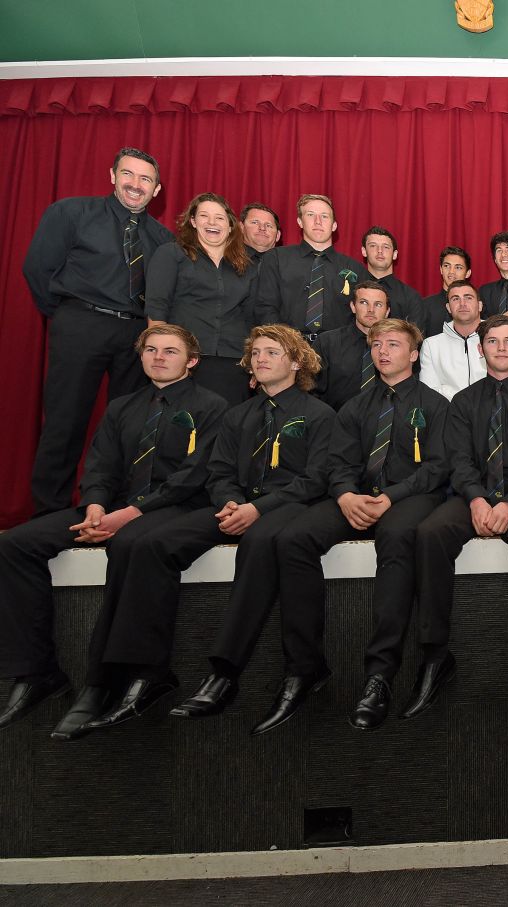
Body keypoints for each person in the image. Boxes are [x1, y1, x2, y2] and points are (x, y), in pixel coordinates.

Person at [0, 325, 227, 736]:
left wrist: (127, 515)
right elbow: (100, 465)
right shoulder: (122, 406)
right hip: (113, 506)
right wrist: (96, 507)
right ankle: (36, 671)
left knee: (130, 543)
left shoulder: (212, 407)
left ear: (192, 361)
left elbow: (194, 477)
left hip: (174, 507)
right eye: (150, 350)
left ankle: (106, 680)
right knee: (15, 544)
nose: (158, 357)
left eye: (170, 351)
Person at [137, 326, 334, 724]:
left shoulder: (320, 414)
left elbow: (315, 480)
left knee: (259, 541)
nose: (260, 359)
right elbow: (220, 471)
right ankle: (146, 671)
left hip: (290, 505)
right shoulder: (237, 415)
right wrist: (232, 502)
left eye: (272, 352)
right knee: (156, 542)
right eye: (256, 353)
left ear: (297, 363)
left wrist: (257, 510)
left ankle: (225, 671)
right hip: (237, 505)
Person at [269, 319, 450, 733]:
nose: (382, 351)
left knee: (396, 535)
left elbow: (438, 468)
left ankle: (379, 675)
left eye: (393, 344)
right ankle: (304, 667)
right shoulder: (354, 407)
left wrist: (391, 497)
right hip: (357, 496)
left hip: (410, 496)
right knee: (294, 538)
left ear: (414, 354)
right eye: (376, 344)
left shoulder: (436, 404)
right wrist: (346, 495)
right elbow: (339, 463)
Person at [414, 314, 508, 714]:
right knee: (430, 532)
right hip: (474, 492)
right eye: (492, 341)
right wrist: (477, 499)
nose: (501, 347)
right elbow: (458, 460)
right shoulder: (463, 402)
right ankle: (435, 654)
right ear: (481, 350)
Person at [23, 147, 174, 515]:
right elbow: (37, 269)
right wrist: (67, 316)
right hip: (81, 325)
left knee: (128, 426)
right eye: (128, 174)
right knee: (65, 421)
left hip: (136, 335)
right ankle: (49, 513)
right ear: (112, 175)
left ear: (156, 190)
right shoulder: (71, 213)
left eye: (145, 179)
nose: (136, 184)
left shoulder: (163, 239)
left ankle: (111, 508)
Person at [145, 192, 256, 404]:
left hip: (234, 361)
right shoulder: (171, 254)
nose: (212, 222)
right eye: (204, 216)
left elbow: (252, 316)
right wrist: (160, 355)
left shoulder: (247, 265)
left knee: (229, 421)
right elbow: (157, 308)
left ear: (230, 225)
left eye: (220, 217)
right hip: (185, 360)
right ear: (193, 221)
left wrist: (255, 360)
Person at [255, 194, 365, 342]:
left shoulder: (355, 268)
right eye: (311, 215)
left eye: (324, 216)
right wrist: (284, 342)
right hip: (287, 345)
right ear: (300, 222)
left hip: (337, 349)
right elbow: (265, 307)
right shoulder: (276, 258)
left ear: (334, 225)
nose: (318, 221)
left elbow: (361, 316)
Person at [312, 281, 391, 411]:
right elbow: (311, 390)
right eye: (364, 302)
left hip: (383, 420)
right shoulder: (327, 342)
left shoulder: (398, 347)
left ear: (387, 311)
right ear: (353, 306)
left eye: (378, 304)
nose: (371, 310)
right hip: (334, 419)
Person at [419, 280, 485, 400]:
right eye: (455, 299)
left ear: (480, 305)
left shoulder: (497, 340)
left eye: (468, 298)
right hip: (448, 410)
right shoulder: (431, 345)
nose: (462, 303)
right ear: (448, 308)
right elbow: (429, 393)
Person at [360, 226, 422, 322]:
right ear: (364, 251)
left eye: (386, 247)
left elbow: (415, 331)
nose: (380, 251)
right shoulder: (351, 290)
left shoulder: (411, 297)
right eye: (373, 246)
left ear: (395, 254)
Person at [411, 246, 472, 340]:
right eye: (447, 266)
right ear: (441, 269)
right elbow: (417, 341)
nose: (451, 272)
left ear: (468, 273)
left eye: (458, 267)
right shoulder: (425, 305)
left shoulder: (474, 305)